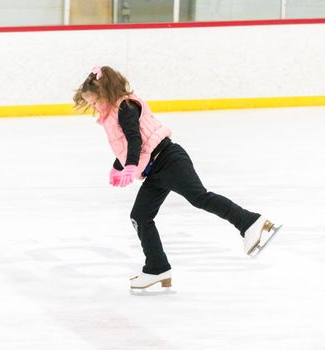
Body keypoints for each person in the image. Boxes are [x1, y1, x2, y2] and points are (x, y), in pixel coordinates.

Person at [73, 66, 278, 291]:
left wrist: (130, 166)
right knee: (140, 216)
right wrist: (117, 166)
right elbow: (125, 144)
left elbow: (134, 140)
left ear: (106, 93)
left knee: (200, 198)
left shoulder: (126, 107)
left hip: (169, 159)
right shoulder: (113, 113)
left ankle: (252, 223)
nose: (94, 107)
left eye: (95, 102)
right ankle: (157, 268)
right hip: (154, 171)